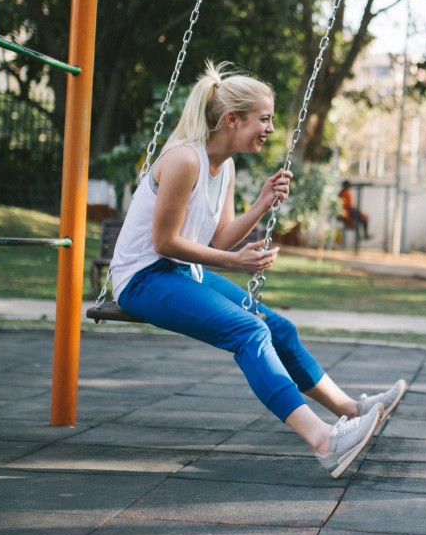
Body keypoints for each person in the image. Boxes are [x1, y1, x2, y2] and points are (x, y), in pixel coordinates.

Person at [108, 62, 406, 478]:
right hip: (143, 278)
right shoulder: (183, 160)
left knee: (277, 327)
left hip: (179, 274)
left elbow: (221, 239)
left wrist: (262, 202)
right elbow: (165, 243)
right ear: (232, 119)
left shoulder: (225, 166)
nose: (269, 128)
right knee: (249, 331)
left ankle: (351, 409)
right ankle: (324, 441)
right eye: (263, 118)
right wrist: (234, 263)